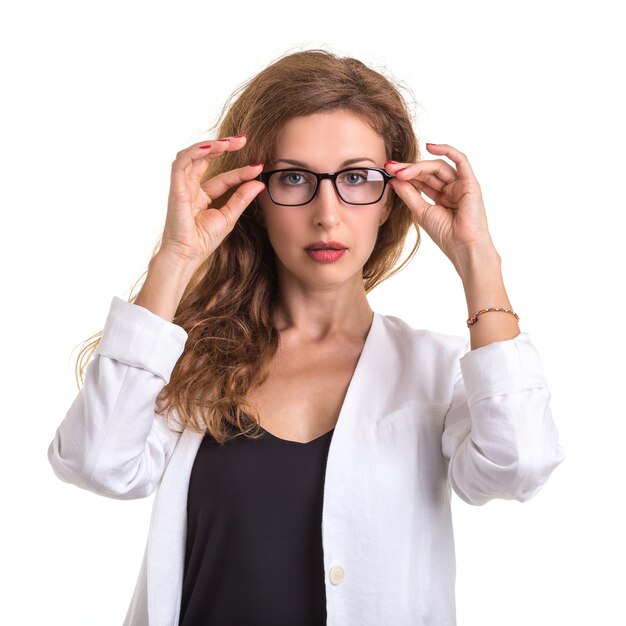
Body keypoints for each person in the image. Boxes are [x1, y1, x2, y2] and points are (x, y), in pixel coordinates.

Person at [47, 49, 566, 626]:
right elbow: (94, 464)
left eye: (356, 178)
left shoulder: (436, 369)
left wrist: (478, 259)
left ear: (393, 196)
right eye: (293, 178)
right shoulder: (190, 360)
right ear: (255, 197)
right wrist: (175, 260)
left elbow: (519, 466)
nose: (327, 213)